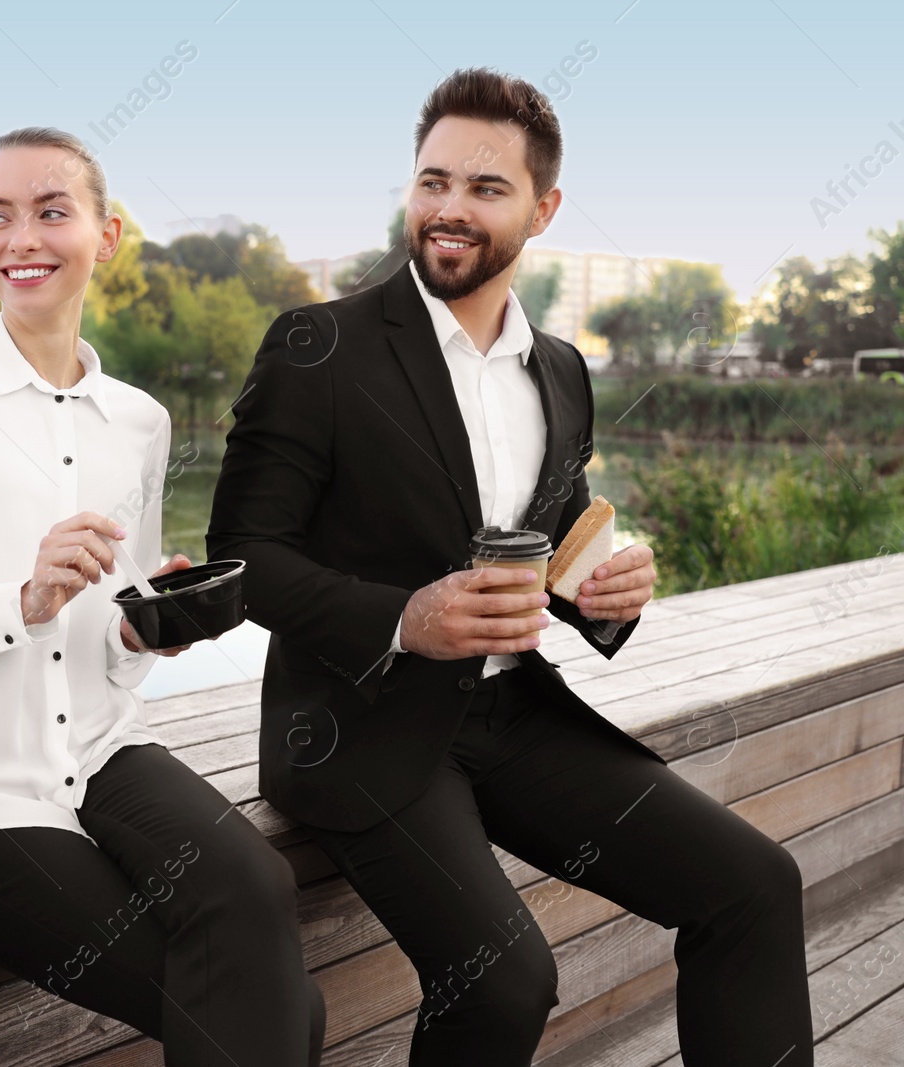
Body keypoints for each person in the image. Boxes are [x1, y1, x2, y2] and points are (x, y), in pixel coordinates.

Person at [206, 68, 813, 1066]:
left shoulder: (561, 369)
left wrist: (606, 591)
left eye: (485, 188)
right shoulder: (318, 346)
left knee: (755, 883)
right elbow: (241, 562)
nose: (448, 209)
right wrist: (408, 616)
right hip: (355, 726)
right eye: (431, 180)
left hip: (512, 714)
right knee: (505, 973)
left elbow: (559, 532)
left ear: (544, 206)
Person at [0, 127, 325, 1066]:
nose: (20, 237)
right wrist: (16, 598)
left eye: (51, 211)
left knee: (258, 883)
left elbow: (105, 631)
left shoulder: (137, 422)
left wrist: (149, 629)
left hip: (99, 750)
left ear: (105, 237)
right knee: (271, 1012)